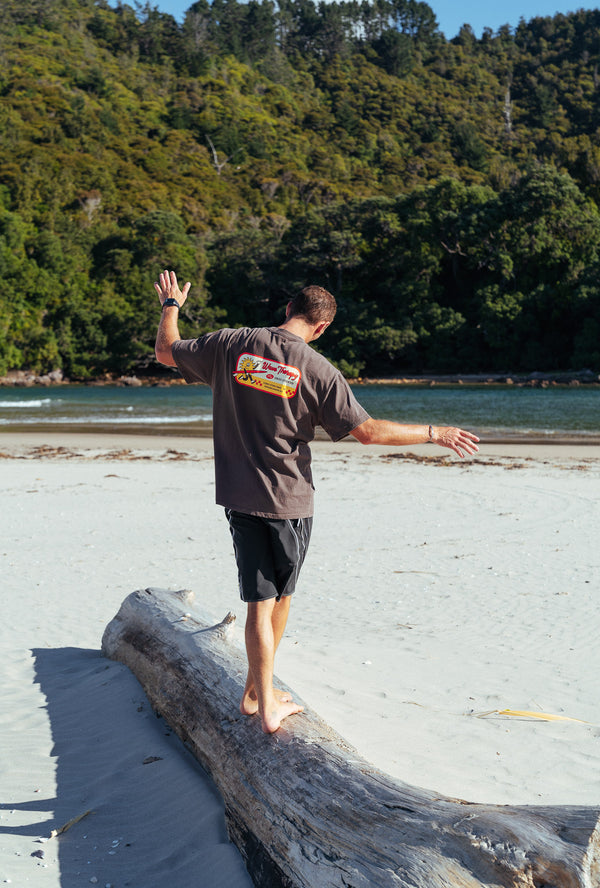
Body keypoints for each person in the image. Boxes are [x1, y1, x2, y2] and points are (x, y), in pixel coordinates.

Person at [154, 270, 479, 734]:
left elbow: (166, 351)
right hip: (289, 503)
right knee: (274, 601)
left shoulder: (231, 344)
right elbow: (368, 433)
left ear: (287, 310)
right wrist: (434, 433)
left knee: (262, 600)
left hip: (240, 497)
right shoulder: (319, 370)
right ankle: (265, 705)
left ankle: (254, 689)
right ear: (322, 327)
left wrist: (171, 306)